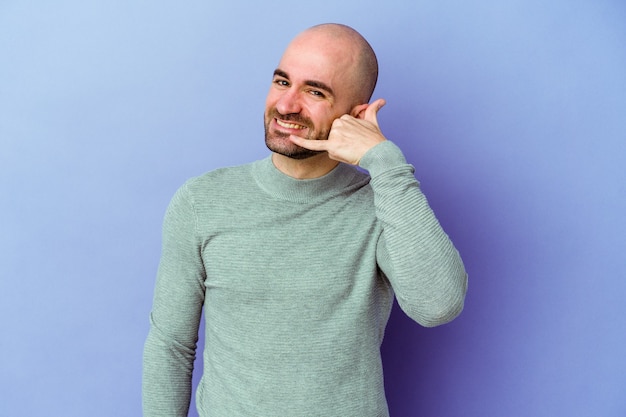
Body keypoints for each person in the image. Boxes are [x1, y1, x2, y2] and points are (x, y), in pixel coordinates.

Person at [143, 23, 468, 417]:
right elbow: (170, 347)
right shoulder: (201, 201)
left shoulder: (384, 204)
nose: (286, 105)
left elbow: (439, 305)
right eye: (282, 82)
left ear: (356, 115)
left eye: (315, 92)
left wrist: (385, 160)